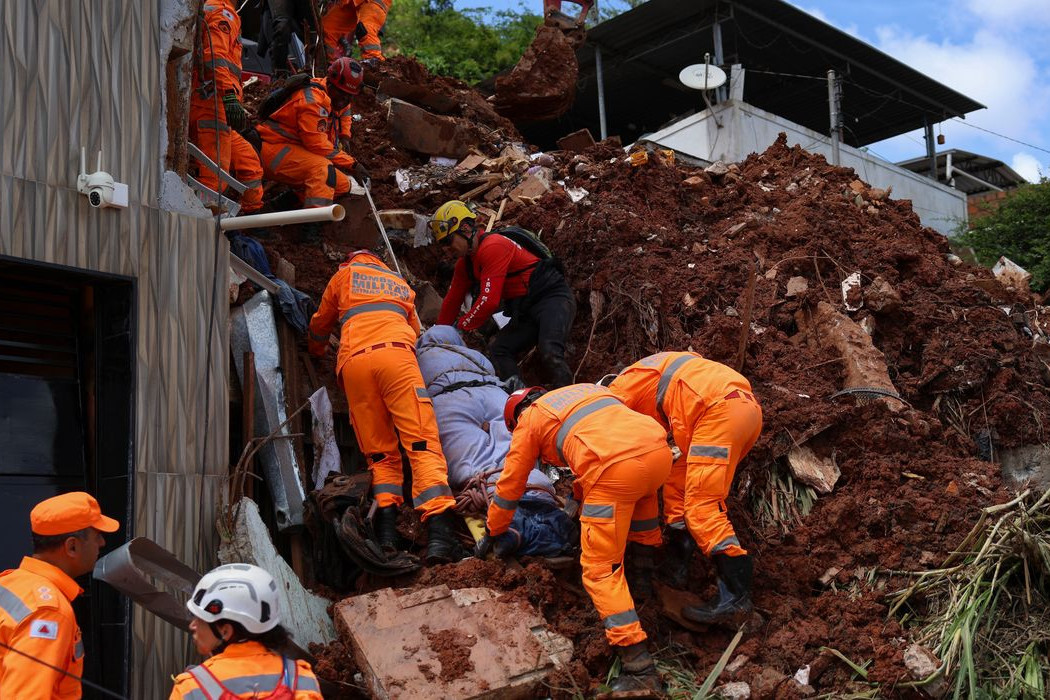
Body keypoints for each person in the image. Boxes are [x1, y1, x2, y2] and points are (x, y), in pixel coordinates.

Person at [481, 384, 672, 692]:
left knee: (599, 569)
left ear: (517, 415)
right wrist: (576, 500)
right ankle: (643, 586)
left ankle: (639, 665)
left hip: (612, 469)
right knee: (642, 517)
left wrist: (494, 530)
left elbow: (510, 485)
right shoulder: (582, 392)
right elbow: (602, 438)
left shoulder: (530, 419)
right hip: (657, 452)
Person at [308, 250, 460, 564]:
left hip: (355, 366)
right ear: (378, 262)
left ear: (350, 260)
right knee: (420, 444)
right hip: (396, 360)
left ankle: (388, 533)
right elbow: (417, 333)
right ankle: (440, 537)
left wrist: (315, 350)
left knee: (380, 453)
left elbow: (320, 324)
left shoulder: (343, 276)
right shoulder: (398, 281)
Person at [607, 351, 763, 624]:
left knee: (702, 506)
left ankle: (736, 599)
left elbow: (622, 450)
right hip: (744, 410)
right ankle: (678, 563)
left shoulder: (617, 395)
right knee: (677, 483)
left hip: (715, 413)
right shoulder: (655, 367)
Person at [416, 325, 571, 557]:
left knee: (473, 461)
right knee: (517, 455)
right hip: (495, 396)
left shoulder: (418, 358)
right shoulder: (476, 356)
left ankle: (508, 517)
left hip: (448, 400)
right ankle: (536, 496)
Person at [430, 200, 576, 389]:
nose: (445, 249)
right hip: (525, 310)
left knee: (549, 350)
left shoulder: (493, 246)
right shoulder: (465, 264)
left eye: (448, 241)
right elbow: (452, 301)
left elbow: (489, 300)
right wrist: (439, 335)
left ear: (465, 229)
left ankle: (569, 397)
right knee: (499, 350)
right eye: (441, 244)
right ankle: (520, 399)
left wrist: (461, 326)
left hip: (552, 297)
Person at [0, 492, 120, 699]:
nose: (102, 543)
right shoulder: (48, 611)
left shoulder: (10, 582)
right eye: (96, 535)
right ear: (72, 546)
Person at [170, 563, 323, 699]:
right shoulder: (302, 680)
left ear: (225, 631)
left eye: (200, 619)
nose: (193, 625)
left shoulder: (191, 689)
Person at [257, 57, 368, 225]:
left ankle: (281, 204)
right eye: (341, 94)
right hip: (273, 151)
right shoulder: (312, 102)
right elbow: (316, 145)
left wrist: (345, 136)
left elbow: (345, 110)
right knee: (322, 169)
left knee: (342, 184)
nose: (344, 100)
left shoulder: (333, 93)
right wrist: (352, 164)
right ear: (330, 83)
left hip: (294, 151)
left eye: (349, 96)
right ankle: (312, 224)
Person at [190, 0, 265, 214]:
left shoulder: (218, 10)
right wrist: (229, 95)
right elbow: (215, 56)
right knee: (215, 178)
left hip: (214, 105)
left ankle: (252, 219)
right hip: (211, 104)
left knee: (249, 160)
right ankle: (203, 225)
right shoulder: (224, 13)